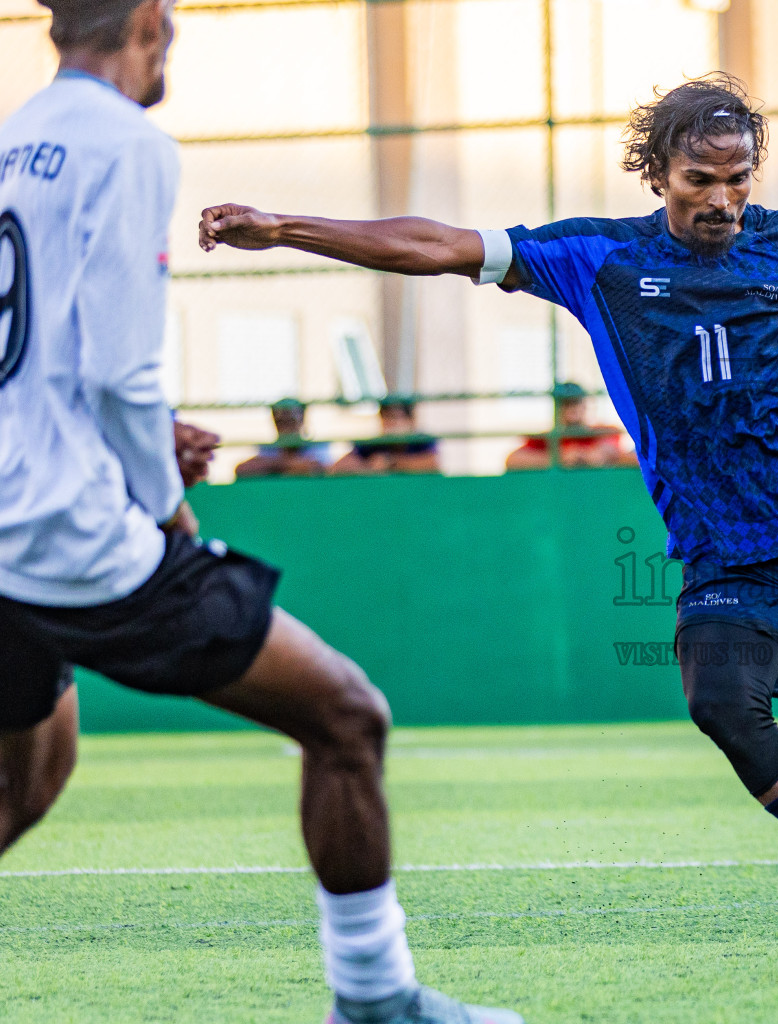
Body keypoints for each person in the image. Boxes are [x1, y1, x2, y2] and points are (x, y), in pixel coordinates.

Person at [198, 72, 778, 971]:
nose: (722, 200)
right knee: (723, 708)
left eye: (738, 180)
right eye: (700, 180)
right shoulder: (601, 260)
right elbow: (439, 246)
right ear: (657, 176)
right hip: (726, 552)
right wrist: (285, 227)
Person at [0, 4, 521, 1022]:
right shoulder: (131, 142)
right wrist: (169, 514)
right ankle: (376, 999)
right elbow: (119, 370)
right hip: (73, 537)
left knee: (27, 780)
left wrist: (132, 433)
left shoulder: (13, 137)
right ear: (151, 19)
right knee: (345, 715)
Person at [504, 381, 637, 470]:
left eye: (575, 403)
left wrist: (589, 456)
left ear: (584, 405)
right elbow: (512, 460)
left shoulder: (603, 432)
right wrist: (559, 459)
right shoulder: (547, 439)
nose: (572, 409)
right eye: (566, 404)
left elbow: (611, 452)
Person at [331, 396, 441, 476]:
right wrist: (369, 467)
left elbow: (433, 463)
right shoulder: (374, 444)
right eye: (385, 418)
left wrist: (391, 463)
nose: (389, 424)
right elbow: (339, 466)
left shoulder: (421, 441)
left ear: (411, 421)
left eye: (394, 417)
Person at [235, 398, 329, 478]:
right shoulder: (268, 449)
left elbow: (319, 468)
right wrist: (290, 465)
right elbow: (242, 469)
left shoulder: (318, 446)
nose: (285, 428)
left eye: (290, 421)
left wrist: (273, 467)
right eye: (280, 422)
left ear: (302, 420)